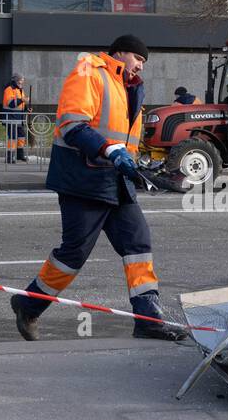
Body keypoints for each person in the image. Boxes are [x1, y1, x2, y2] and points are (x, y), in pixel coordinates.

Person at [10, 35, 185, 343]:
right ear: (122, 53)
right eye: (139, 59)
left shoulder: (128, 87)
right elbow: (73, 124)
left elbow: (123, 137)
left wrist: (139, 162)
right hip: (84, 180)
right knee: (74, 252)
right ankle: (28, 304)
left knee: (138, 243)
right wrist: (110, 152)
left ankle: (147, 317)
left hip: (116, 181)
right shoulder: (90, 71)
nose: (141, 66)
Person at [3, 74, 29, 163]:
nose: (22, 82)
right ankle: (10, 157)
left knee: (21, 136)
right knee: (12, 138)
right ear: (16, 81)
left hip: (19, 118)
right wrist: (23, 100)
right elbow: (11, 103)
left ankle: (20, 155)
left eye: (22, 81)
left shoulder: (20, 90)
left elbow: (21, 104)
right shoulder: (9, 89)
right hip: (11, 118)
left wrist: (26, 108)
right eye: (20, 81)